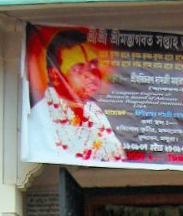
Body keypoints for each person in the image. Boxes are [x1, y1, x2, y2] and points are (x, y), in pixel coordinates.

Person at [26, 29, 126, 164]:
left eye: (92, 66)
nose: (91, 75)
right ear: (56, 75)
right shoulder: (40, 118)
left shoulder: (93, 111)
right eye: (78, 69)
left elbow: (116, 158)